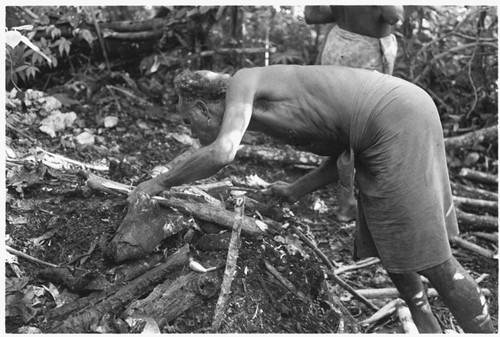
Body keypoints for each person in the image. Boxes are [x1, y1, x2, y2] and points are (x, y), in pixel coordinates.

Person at [128, 65, 494, 333]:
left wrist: (160, 183)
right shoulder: (259, 112)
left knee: (432, 258)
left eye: (186, 122)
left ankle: (483, 329)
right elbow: (343, 155)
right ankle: (426, 324)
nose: (189, 132)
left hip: (396, 116)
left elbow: (223, 153)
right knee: (389, 238)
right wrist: (293, 191)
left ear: (203, 108)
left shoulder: (244, 82)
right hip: (385, 122)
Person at [304, 5, 404, 221]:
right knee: (357, 128)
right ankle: (346, 202)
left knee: (342, 125)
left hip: (339, 44)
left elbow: (312, 14)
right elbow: (393, 15)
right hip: (362, 53)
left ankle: (345, 197)